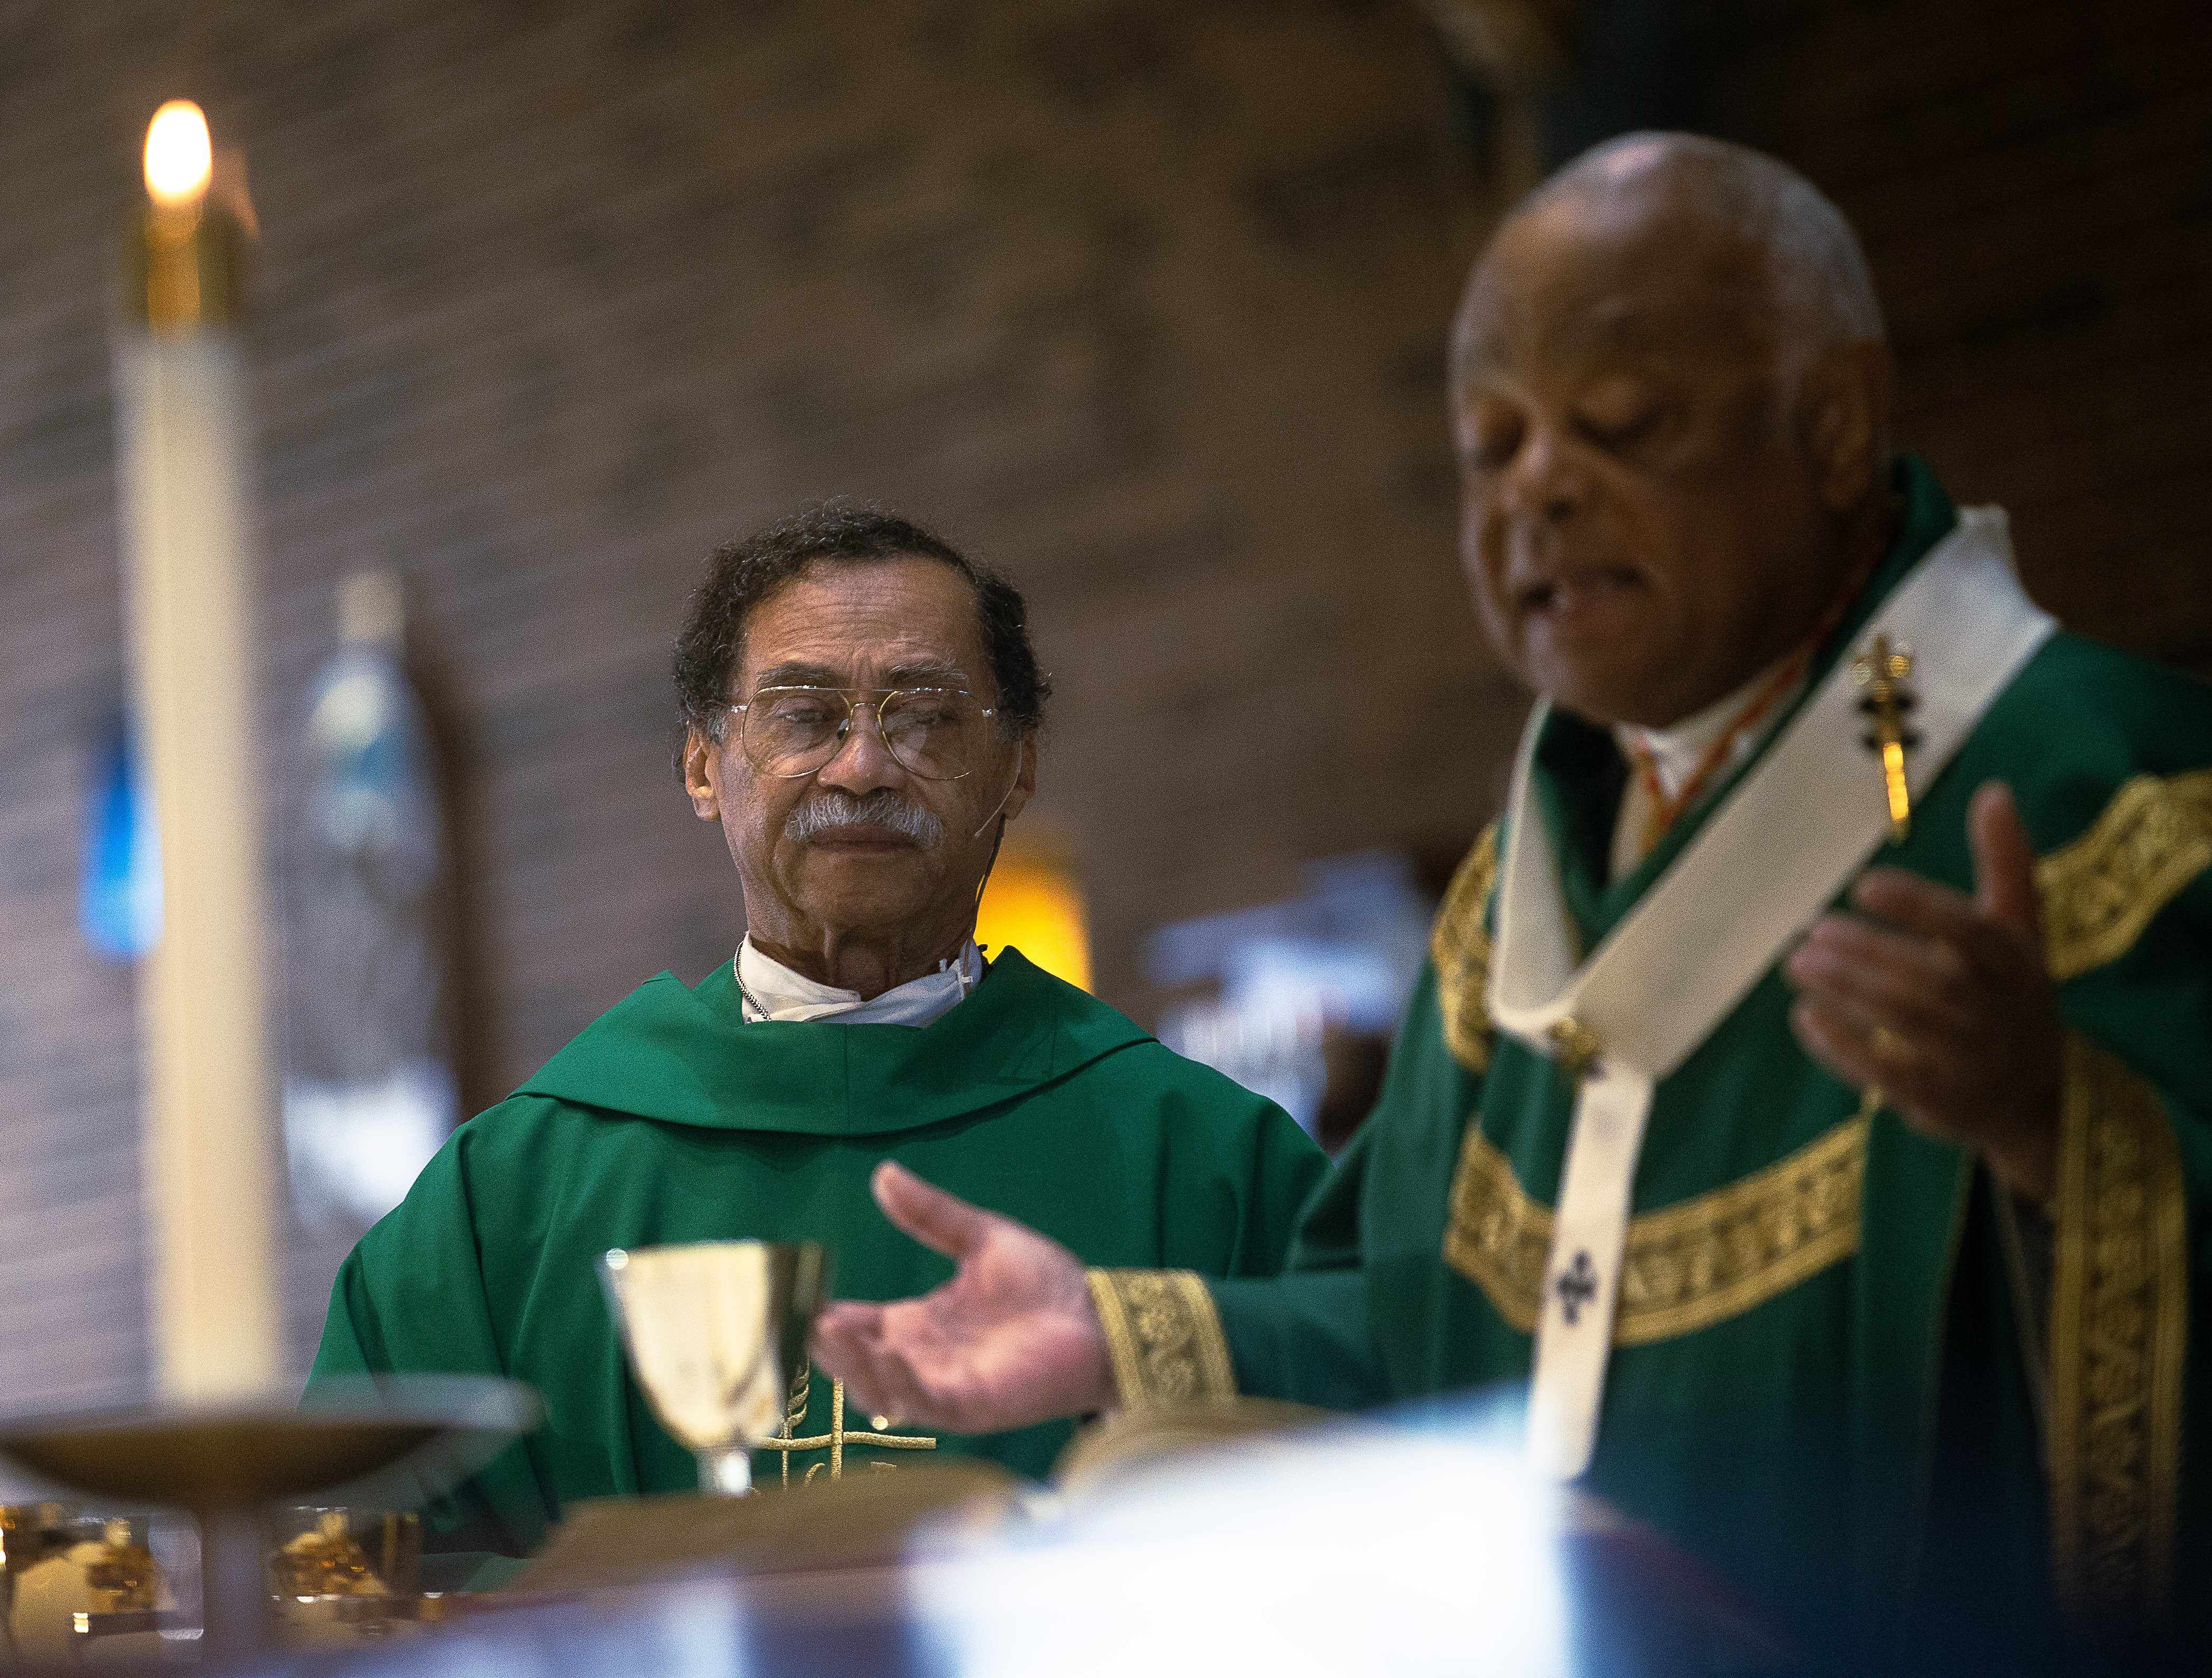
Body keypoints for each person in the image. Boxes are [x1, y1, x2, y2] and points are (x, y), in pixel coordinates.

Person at [812, 136, 2211, 1663]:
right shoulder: (1511, 903)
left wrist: (2054, 1132)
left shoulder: (2115, 799)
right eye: (1492, 444)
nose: (1538, 486)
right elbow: (1424, 1328)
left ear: (1834, 424)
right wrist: (1109, 1332)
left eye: (1620, 422)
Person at [310, 506, 1325, 1560]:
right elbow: (360, 1586)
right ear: (704, 766)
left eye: (926, 716)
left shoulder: (1210, 1161)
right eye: (803, 716)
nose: (863, 767)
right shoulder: (506, 1202)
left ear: (1018, 764)